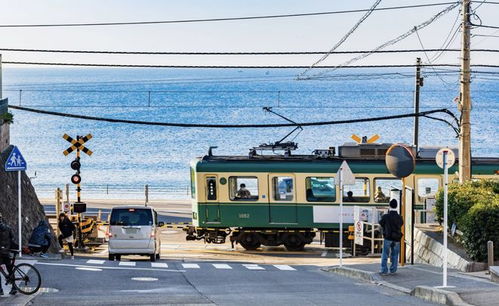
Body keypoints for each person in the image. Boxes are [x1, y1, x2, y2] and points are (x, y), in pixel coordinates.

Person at [379, 199, 404, 275]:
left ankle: (384, 270)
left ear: (389, 206)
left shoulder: (386, 216)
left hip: (388, 237)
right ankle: (393, 270)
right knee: (395, 254)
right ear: (396, 206)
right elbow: (401, 224)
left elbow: (381, 223)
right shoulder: (400, 217)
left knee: (385, 254)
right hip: (396, 238)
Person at [0, 213, 18, 295]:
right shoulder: (8, 227)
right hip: (7, 252)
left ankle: (0, 290)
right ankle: (14, 287)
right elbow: (12, 238)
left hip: (0, 252)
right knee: (10, 269)